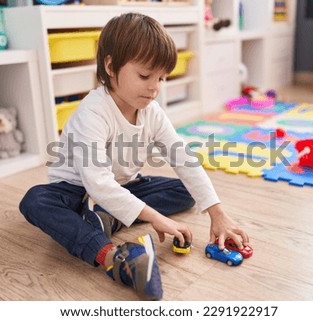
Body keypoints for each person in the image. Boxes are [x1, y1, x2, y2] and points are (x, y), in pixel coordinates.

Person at [19, 12, 249, 301]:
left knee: (184, 192)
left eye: (161, 78)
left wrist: (217, 212)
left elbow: (182, 157)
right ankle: (112, 256)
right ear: (111, 66)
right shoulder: (93, 112)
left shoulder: (151, 111)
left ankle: (109, 217)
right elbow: (98, 184)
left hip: (122, 186)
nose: (154, 87)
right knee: (35, 201)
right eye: (144, 76)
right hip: (75, 191)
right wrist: (154, 218)